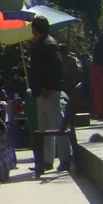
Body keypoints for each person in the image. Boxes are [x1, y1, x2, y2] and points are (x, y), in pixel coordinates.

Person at [28, 17, 71, 173]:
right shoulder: (40, 43)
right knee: (44, 128)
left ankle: (65, 158)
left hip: (49, 91)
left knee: (57, 125)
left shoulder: (49, 44)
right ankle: (47, 160)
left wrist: (48, 86)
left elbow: (56, 69)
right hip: (40, 91)